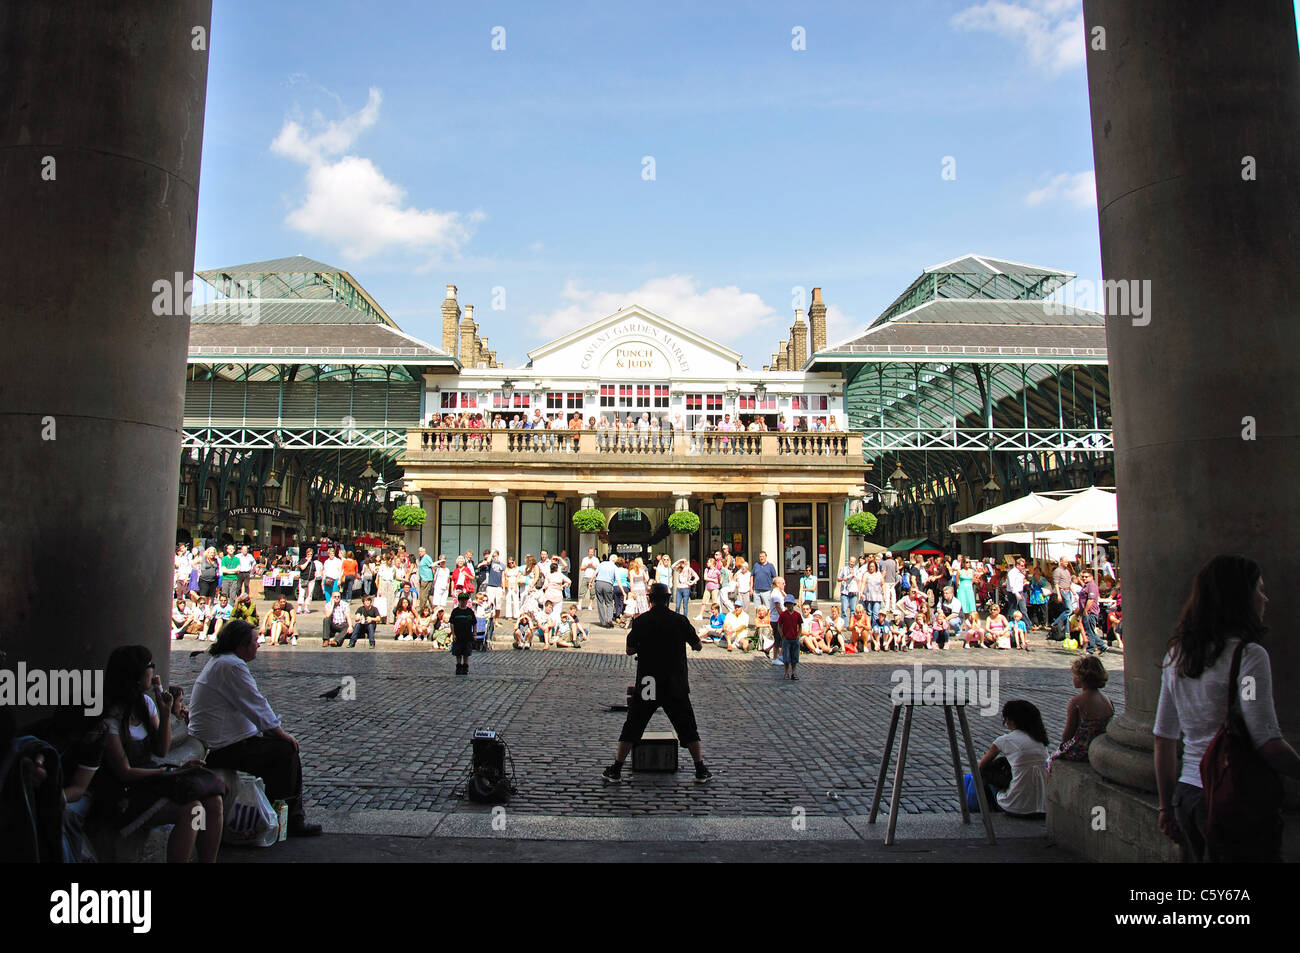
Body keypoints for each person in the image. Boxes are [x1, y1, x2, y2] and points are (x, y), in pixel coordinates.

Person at [1154, 554, 1300, 863]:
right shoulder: (1249, 656)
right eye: (1259, 589)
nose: (1266, 598)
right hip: (1234, 798)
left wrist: (1166, 807)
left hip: (1188, 796)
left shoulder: (1175, 657)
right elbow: (1267, 741)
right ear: (1241, 599)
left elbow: (1164, 738)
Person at [189, 621, 322, 837]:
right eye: (254, 640)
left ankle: (278, 812)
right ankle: (291, 818)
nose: (258, 644)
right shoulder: (231, 665)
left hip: (223, 741)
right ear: (241, 645)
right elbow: (256, 704)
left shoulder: (223, 662)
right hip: (221, 747)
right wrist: (280, 733)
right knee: (286, 751)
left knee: (277, 752)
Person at [92, 646, 225, 862]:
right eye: (149, 666)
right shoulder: (111, 717)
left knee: (214, 801)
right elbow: (124, 772)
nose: (154, 670)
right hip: (125, 790)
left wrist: (165, 715)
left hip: (152, 778)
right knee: (193, 810)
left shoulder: (145, 704)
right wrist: (168, 772)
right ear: (134, 675)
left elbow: (161, 750)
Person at [602, 584, 712, 784]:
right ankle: (700, 768)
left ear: (650, 599)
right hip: (674, 681)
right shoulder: (680, 620)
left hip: (648, 681)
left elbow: (629, 650)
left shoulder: (641, 621)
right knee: (688, 726)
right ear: (668, 599)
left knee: (633, 725)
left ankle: (616, 768)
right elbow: (697, 645)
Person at [975, 700, 1050, 818]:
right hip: (1044, 807)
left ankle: (986, 813)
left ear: (1010, 720)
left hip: (1016, 807)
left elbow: (980, 766)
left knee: (983, 773)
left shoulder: (1004, 741)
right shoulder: (1041, 741)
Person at [1050, 655, 1114, 766]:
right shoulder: (1108, 700)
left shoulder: (1077, 702)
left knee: (1050, 762)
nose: (1073, 678)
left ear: (1081, 677)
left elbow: (1067, 735)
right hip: (1099, 746)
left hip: (1082, 750)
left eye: (1074, 675)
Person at [449, 591, 477, 675]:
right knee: (458, 652)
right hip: (458, 635)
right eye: (462, 600)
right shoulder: (455, 611)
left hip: (467, 635)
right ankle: (458, 666)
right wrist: (453, 634)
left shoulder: (470, 612)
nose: (463, 602)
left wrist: (474, 633)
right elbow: (452, 623)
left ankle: (465, 667)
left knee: (466, 652)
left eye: (465, 600)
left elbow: (474, 623)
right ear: (459, 601)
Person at [777, 595, 803, 680]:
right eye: (787, 604)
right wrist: (782, 635)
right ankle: (786, 673)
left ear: (793, 604)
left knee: (794, 657)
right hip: (786, 639)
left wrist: (798, 635)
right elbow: (779, 625)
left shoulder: (797, 615)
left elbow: (800, 625)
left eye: (790, 604)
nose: (789, 606)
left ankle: (793, 673)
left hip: (794, 639)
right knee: (786, 657)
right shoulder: (783, 615)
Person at [296, 547, 317, 614]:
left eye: (311, 554)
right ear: (306, 554)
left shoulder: (313, 563)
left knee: (309, 594)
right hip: (303, 579)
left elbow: (314, 570)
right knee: (302, 593)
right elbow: (302, 567)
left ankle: (306, 607)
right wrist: (307, 561)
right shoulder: (302, 560)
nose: (310, 556)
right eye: (308, 554)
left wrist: (315, 576)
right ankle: (299, 608)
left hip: (311, 580)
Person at [417, 547, 436, 612]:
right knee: (427, 595)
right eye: (419, 551)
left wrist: (434, 577)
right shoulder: (422, 558)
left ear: (424, 552)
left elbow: (432, 566)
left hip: (427, 579)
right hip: (423, 578)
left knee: (423, 595)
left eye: (420, 551)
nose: (419, 553)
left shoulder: (427, 557)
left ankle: (422, 609)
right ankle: (432, 608)